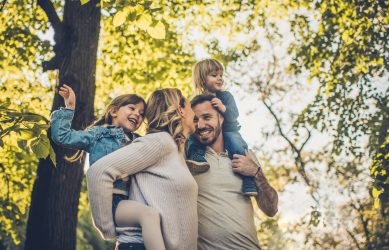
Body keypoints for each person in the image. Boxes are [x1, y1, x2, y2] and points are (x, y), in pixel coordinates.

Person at [50, 85, 166, 250]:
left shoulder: (139, 141)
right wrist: (69, 108)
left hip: (134, 199)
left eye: (141, 114)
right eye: (132, 108)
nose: (137, 115)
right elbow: (62, 136)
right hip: (112, 202)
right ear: (113, 112)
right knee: (148, 216)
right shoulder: (98, 134)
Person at [86, 88, 198, 250]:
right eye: (190, 107)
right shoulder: (160, 142)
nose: (194, 114)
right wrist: (106, 227)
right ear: (180, 110)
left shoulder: (175, 149)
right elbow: (98, 172)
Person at [190, 94, 279, 249]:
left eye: (207, 117)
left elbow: (271, 209)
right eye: (195, 120)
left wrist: (256, 172)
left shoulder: (245, 156)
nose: (201, 125)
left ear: (221, 118)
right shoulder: (190, 160)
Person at [185, 58, 258, 196]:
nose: (219, 79)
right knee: (191, 137)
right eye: (214, 75)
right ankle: (197, 157)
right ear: (202, 79)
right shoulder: (196, 101)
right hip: (208, 134)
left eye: (221, 76)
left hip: (229, 130)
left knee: (236, 146)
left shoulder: (226, 96)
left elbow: (234, 114)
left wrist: (223, 108)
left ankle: (248, 181)